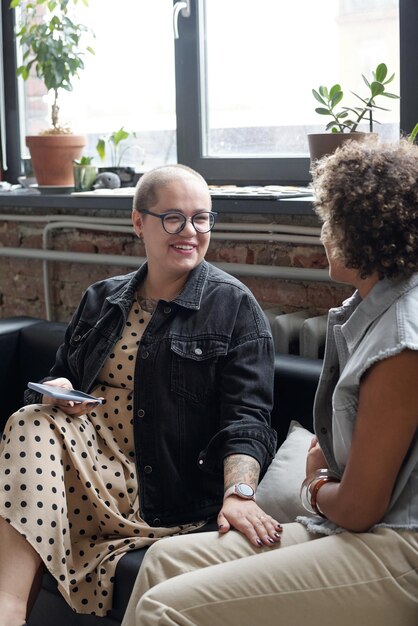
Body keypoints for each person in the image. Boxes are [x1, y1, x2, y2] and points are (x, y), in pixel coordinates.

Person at [121, 138, 418, 626]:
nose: (324, 234)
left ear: (363, 232)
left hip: (396, 551)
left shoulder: (402, 341)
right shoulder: (370, 312)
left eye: (329, 221)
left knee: (164, 607)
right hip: (356, 532)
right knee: (161, 562)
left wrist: (313, 482)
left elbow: (361, 507)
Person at [0, 164, 279, 626]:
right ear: (138, 222)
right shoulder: (101, 299)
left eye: (201, 218)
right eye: (173, 218)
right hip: (86, 466)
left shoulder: (234, 308)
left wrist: (240, 492)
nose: (189, 231)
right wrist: (61, 390)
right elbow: (61, 377)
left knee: (19, 467)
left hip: (162, 489)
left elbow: (247, 420)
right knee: (30, 418)